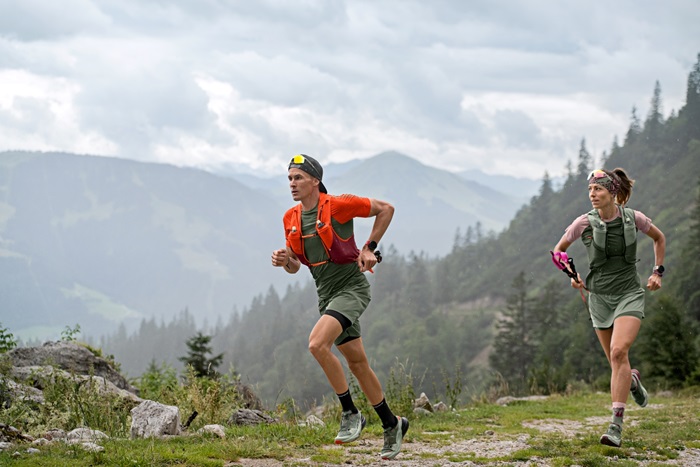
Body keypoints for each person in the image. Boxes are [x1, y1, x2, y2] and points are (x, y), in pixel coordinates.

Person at [271, 154, 409, 460]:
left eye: (298, 178)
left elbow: (386, 209)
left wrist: (369, 247)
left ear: (315, 180)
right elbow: (295, 266)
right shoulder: (290, 218)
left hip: (351, 287)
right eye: (289, 178)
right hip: (326, 294)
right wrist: (284, 261)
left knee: (317, 344)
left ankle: (350, 412)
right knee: (357, 363)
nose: (292, 184)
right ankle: (392, 423)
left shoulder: (338, 205)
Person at [551, 167, 666, 448]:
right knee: (616, 363)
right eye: (590, 190)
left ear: (612, 192)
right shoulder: (583, 222)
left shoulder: (634, 218)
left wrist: (657, 272)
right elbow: (558, 251)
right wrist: (572, 275)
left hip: (629, 294)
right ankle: (632, 381)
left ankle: (615, 426)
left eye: (598, 189)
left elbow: (659, 238)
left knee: (618, 352)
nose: (592, 194)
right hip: (599, 297)